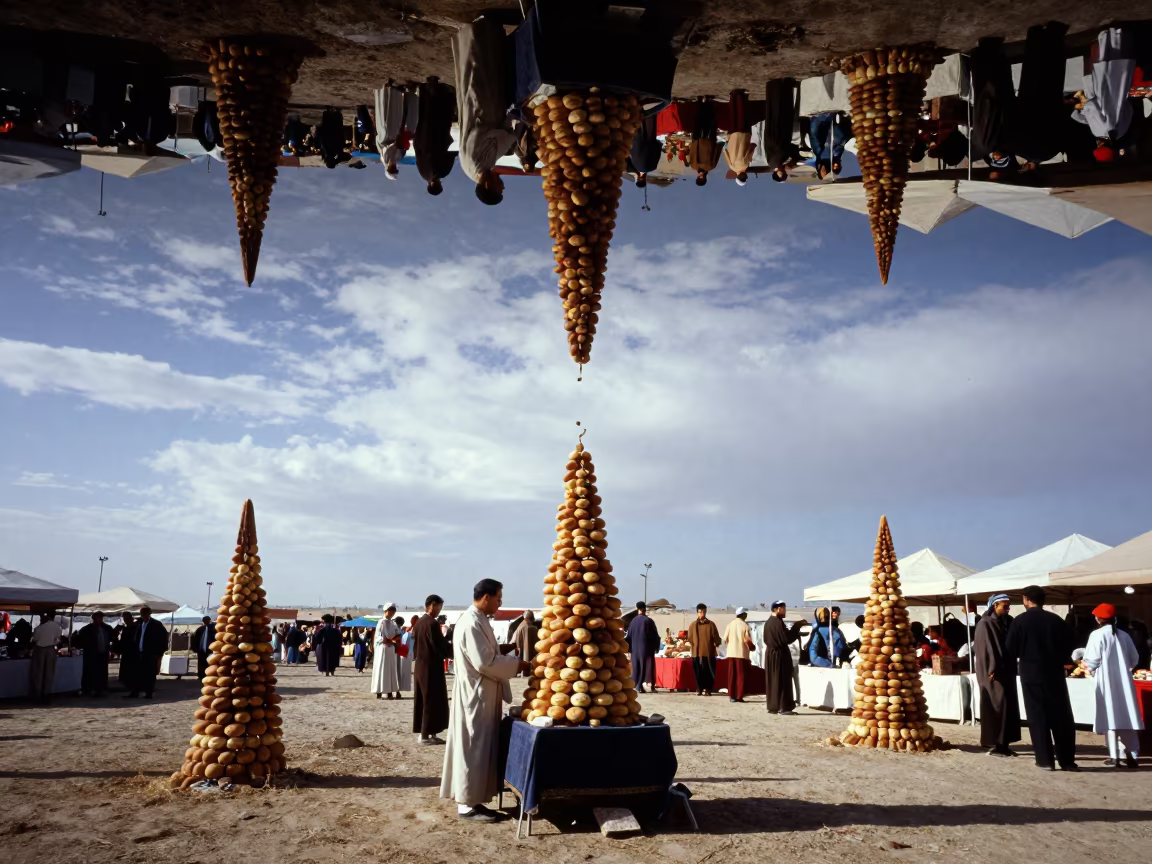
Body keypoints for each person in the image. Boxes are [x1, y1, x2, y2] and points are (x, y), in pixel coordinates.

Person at [441, 578, 527, 823]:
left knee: (479, 746)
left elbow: (488, 653)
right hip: (475, 696)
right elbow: (484, 663)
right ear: (486, 597)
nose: (500, 603)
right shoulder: (470, 622)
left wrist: (506, 650)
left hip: (483, 694)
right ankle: (467, 805)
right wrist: (519, 665)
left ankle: (475, 799)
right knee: (472, 747)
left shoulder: (479, 621)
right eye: (498, 598)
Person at [1005, 585, 1078, 771]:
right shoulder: (1056, 620)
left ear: (1026, 599)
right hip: (1054, 671)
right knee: (1061, 716)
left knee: (1037, 715)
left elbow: (1010, 649)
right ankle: (1067, 760)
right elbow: (1070, 643)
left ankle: (1045, 760)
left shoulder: (1020, 621)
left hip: (1030, 672)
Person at [452, 17, 517, 206]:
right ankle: (492, 29)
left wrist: (508, 136)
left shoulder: (473, 164)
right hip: (492, 107)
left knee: (478, 69)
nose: (503, 186)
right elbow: (498, 140)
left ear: (489, 187)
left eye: (500, 189)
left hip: (479, 107)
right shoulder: (486, 166)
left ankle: (479, 28)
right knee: (492, 67)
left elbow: (482, 134)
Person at [1082, 603, 1143, 768]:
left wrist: (1089, 670)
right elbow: (1134, 659)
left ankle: (1115, 756)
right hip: (1124, 682)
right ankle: (1132, 754)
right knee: (1127, 716)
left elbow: (1091, 660)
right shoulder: (1124, 635)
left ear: (1098, 618)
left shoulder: (1097, 635)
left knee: (1110, 716)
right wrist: (1123, 670)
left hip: (1106, 681)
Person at [1074, 27, 1139, 159]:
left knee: (1116, 64)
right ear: (1103, 146)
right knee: (1101, 63)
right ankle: (1104, 37)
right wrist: (1083, 110)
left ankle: (1117, 35)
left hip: (1119, 90)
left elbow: (1129, 109)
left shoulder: (1121, 133)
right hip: (1099, 91)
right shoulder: (1098, 131)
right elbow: (1091, 106)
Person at [973, 594, 1022, 757]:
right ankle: (995, 743)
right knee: (997, 705)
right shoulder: (985, 624)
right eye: (1004, 605)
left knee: (1007, 707)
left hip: (1006, 670)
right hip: (992, 674)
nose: (1007, 608)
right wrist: (992, 668)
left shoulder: (1006, 622)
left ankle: (1004, 744)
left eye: (1008, 605)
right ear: (994, 606)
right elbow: (986, 649)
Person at [969, 36, 1018, 177]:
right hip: (996, 102)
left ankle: (986, 48)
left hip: (988, 104)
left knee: (990, 77)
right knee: (998, 77)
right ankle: (994, 48)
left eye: (995, 159)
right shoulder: (1007, 143)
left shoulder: (986, 146)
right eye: (1000, 158)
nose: (997, 156)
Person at [413, 594, 450, 745]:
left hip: (421, 665)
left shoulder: (419, 623)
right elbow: (439, 645)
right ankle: (424, 735)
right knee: (429, 699)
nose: (439, 610)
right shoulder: (431, 624)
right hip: (430, 666)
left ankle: (431, 732)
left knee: (427, 699)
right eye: (439, 606)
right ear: (431, 605)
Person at [415, 76, 457, 195]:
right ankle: (427, 86)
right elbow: (418, 155)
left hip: (439, 137)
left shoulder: (442, 172)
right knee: (426, 113)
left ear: (435, 185)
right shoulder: (423, 173)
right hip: (423, 137)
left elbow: (451, 155)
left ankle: (437, 87)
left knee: (440, 114)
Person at [764, 601, 805, 714]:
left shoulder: (769, 622)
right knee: (782, 679)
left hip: (771, 655)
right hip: (779, 655)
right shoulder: (777, 622)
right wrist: (796, 627)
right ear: (777, 609)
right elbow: (786, 638)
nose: (785, 611)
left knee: (774, 680)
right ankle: (783, 707)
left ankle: (773, 706)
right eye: (784, 608)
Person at [125, 606, 168, 699]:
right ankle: (135, 692)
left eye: (146, 614)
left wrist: (159, 653)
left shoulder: (156, 625)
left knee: (150, 675)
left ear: (149, 614)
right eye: (143, 614)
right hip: (138, 653)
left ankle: (149, 693)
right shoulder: (138, 624)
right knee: (136, 674)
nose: (144, 616)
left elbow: (164, 639)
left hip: (150, 654)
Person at [763, 78, 800, 181]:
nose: (783, 172)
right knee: (784, 109)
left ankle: (779, 86)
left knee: (780, 108)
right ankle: (784, 85)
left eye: (781, 174)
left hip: (778, 132)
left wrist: (790, 160)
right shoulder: (777, 163)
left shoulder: (774, 163)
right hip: (780, 133)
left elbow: (780, 149)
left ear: (776, 173)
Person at [75, 611, 115, 697]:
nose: (100, 619)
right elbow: (79, 640)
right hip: (91, 654)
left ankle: (101, 689)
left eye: (101, 618)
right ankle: (89, 689)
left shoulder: (107, 628)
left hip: (103, 654)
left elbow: (113, 638)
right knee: (90, 672)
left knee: (102, 672)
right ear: (93, 618)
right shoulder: (87, 629)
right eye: (98, 617)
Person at [687, 603, 722, 696]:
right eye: (700, 612)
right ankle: (699, 689)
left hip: (708, 653)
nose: (702, 614)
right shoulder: (693, 625)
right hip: (697, 653)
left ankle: (708, 689)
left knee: (708, 673)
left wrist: (717, 643)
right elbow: (690, 638)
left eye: (703, 612)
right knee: (698, 673)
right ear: (697, 613)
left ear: (706, 612)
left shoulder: (711, 624)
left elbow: (717, 638)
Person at [625, 602, 660, 693]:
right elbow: (654, 636)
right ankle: (645, 686)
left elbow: (628, 636)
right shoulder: (648, 621)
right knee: (646, 667)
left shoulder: (633, 621)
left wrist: (629, 648)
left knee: (636, 667)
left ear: (638, 609)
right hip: (646, 649)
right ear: (645, 609)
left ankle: (637, 684)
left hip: (634, 649)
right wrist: (656, 647)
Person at [721, 607, 754, 702]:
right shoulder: (745, 626)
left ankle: (732, 695)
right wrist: (752, 648)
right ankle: (739, 696)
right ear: (743, 615)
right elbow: (747, 641)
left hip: (731, 654)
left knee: (732, 675)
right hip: (741, 654)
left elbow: (725, 639)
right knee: (740, 676)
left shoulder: (729, 625)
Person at [723, 89, 755, 185]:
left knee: (743, 115)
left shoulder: (745, 165)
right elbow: (725, 151)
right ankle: (733, 96)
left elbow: (750, 151)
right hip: (732, 137)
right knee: (733, 116)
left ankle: (742, 96)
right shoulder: (731, 166)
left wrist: (753, 146)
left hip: (744, 136)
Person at [29, 611, 62, 702]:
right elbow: (58, 638)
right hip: (51, 649)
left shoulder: (38, 628)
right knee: (49, 672)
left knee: (38, 672)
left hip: (39, 649)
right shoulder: (56, 627)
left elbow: (35, 639)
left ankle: (37, 693)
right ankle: (46, 692)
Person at [371, 603, 402, 699]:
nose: (392, 612)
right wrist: (385, 640)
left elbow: (398, 633)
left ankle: (390, 691)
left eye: (394, 610)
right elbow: (378, 636)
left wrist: (395, 639)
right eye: (390, 610)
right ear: (386, 611)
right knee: (382, 669)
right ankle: (379, 691)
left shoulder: (393, 623)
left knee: (391, 670)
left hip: (391, 648)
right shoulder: (381, 622)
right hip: (383, 648)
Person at [689, 96, 721, 186]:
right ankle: (709, 102)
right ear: (705, 178)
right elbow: (716, 154)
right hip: (708, 141)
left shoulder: (693, 166)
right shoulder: (711, 167)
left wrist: (693, 143)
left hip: (696, 141)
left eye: (698, 178)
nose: (700, 176)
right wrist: (720, 145)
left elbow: (691, 153)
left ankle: (699, 102)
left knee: (698, 121)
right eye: (701, 178)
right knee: (709, 120)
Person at [809, 112, 852, 179]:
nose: (825, 172)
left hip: (825, 119)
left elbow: (813, 134)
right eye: (826, 173)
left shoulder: (819, 152)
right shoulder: (835, 156)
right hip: (837, 123)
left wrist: (818, 118)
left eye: (823, 173)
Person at [629, 111, 661, 187]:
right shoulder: (636, 165)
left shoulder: (653, 167)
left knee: (650, 119)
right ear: (638, 178)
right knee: (638, 117)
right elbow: (634, 151)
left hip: (651, 139)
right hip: (639, 138)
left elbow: (658, 152)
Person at [114, 610, 135, 687]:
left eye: (127, 618)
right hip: (126, 652)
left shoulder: (134, 627)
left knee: (130, 669)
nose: (125, 620)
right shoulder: (125, 628)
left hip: (132, 652)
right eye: (124, 618)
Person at [192, 615, 214, 680]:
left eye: (207, 620)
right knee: (201, 663)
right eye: (205, 620)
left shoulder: (213, 629)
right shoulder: (200, 629)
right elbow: (194, 639)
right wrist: (195, 648)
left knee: (209, 663)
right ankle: (201, 675)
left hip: (210, 650)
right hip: (201, 650)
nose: (206, 622)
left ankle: (208, 674)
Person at [397, 616, 414, 693]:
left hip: (407, 654)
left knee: (405, 672)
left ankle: (403, 687)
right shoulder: (406, 634)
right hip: (404, 654)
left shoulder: (408, 634)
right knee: (403, 672)